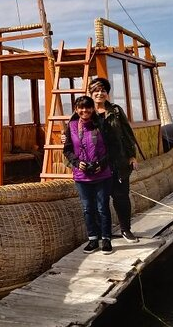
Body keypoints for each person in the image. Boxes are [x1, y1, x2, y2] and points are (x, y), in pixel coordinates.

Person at [87, 77, 140, 244]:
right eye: (96, 90)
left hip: (118, 161)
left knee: (121, 196)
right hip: (96, 163)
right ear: (91, 93)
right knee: (99, 200)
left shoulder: (116, 111)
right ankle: (103, 234)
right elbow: (73, 132)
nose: (100, 93)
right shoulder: (84, 111)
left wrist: (132, 156)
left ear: (107, 93)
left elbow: (127, 133)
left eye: (103, 90)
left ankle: (126, 230)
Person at [63, 96, 114, 255]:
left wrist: (101, 164)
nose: (84, 111)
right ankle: (93, 239)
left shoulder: (102, 124)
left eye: (88, 107)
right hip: (81, 176)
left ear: (92, 108)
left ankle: (106, 239)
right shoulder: (71, 126)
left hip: (102, 174)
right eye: (81, 108)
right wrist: (77, 163)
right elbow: (67, 150)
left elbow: (112, 148)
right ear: (76, 109)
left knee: (102, 208)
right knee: (87, 208)